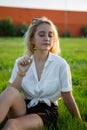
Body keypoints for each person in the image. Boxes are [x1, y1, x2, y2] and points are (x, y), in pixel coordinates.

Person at [0, 16, 82, 130]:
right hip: (24, 106)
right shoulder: (21, 62)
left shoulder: (61, 65)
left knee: (11, 125)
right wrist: (21, 74)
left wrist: (79, 122)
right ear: (32, 39)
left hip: (46, 110)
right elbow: (12, 92)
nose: (47, 38)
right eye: (41, 35)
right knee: (9, 91)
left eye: (50, 35)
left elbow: (67, 97)